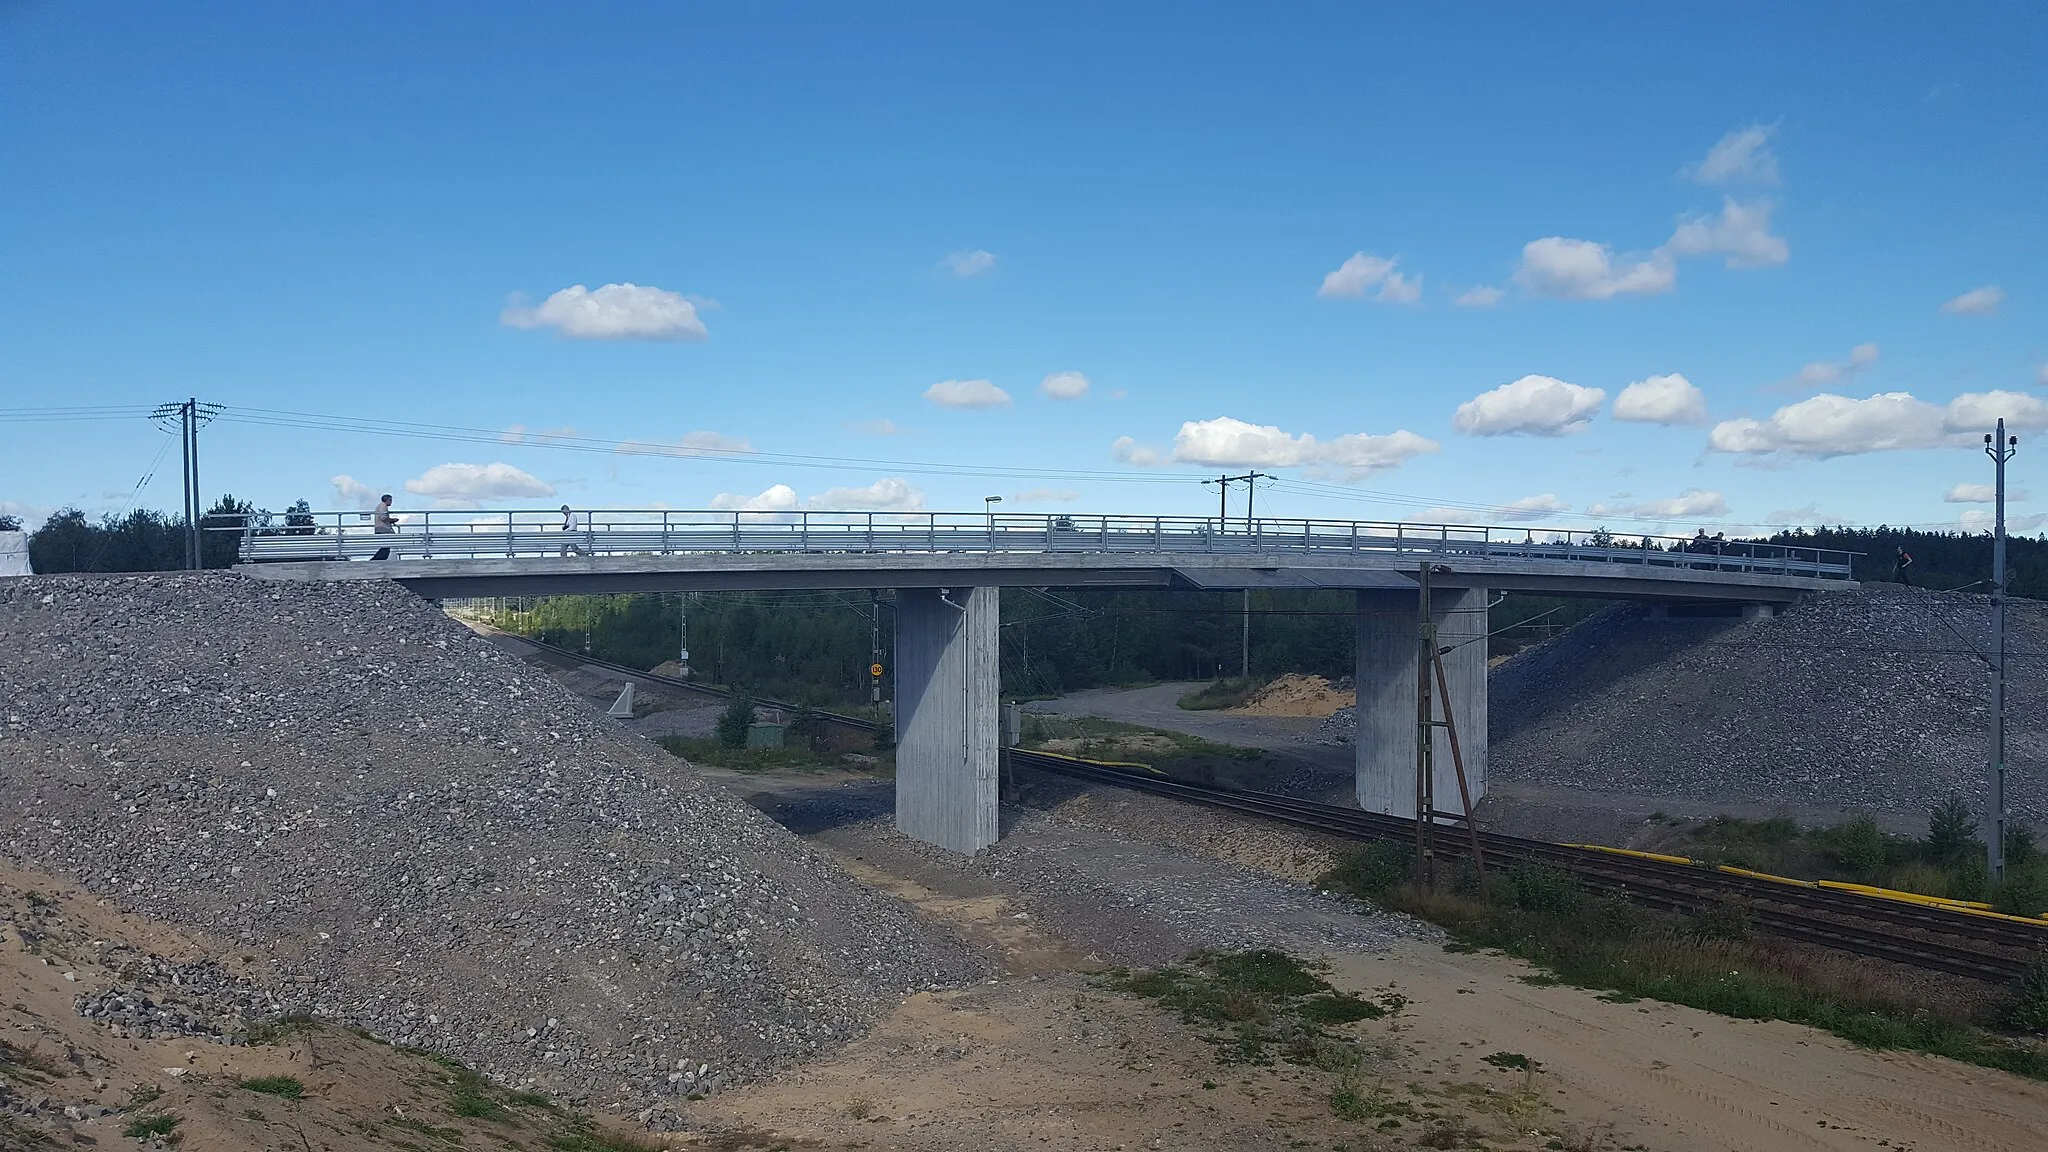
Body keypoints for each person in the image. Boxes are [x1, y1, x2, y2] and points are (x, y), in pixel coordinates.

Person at [370, 494, 397, 560]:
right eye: (390, 500)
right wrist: (392, 520)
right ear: (386, 500)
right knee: (386, 547)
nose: (391, 502)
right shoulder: (383, 506)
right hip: (383, 529)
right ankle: (376, 559)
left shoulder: (380, 506)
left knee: (385, 547)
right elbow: (383, 517)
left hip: (380, 529)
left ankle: (376, 559)